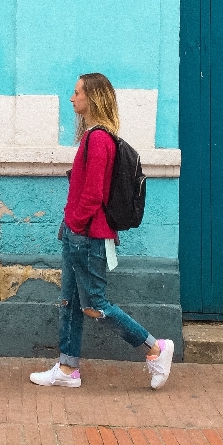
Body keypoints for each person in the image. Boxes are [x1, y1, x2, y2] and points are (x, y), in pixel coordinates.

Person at [30, 73, 175, 390]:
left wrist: (76, 225)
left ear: (92, 98)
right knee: (70, 302)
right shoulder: (94, 137)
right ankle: (68, 370)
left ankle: (155, 349)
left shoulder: (98, 140)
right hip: (77, 233)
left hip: (87, 236)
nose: (72, 98)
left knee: (95, 305)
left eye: (77, 92)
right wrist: (70, 226)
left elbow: (93, 194)